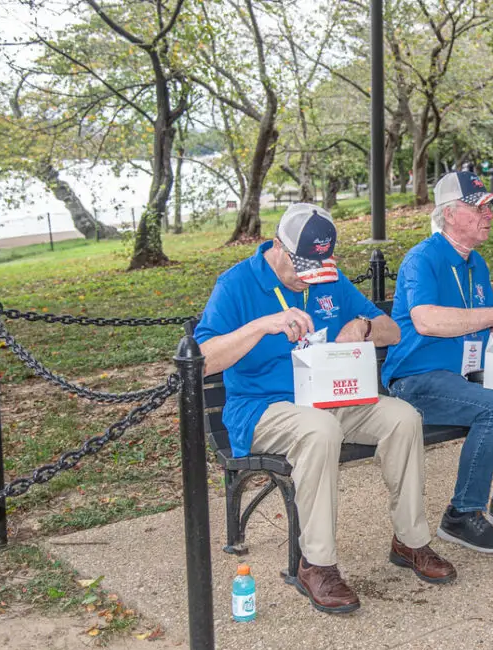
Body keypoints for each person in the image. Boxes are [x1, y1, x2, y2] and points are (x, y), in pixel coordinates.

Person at [194, 203, 455, 615]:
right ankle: (316, 563)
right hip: (262, 409)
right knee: (320, 430)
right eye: (302, 265)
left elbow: (393, 329)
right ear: (278, 245)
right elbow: (203, 358)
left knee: (403, 418)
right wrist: (263, 325)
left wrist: (365, 327)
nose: (309, 276)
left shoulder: (328, 279)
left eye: (318, 265)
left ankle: (410, 540)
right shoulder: (236, 285)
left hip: (330, 397)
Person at [382, 171, 493, 554]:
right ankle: (462, 513)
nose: (489, 213)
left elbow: (480, 329)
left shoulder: (477, 263)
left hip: (467, 374)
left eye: (490, 205)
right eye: (479, 206)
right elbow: (427, 320)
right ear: (449, 214)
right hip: (417, 378)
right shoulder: (421, 259)